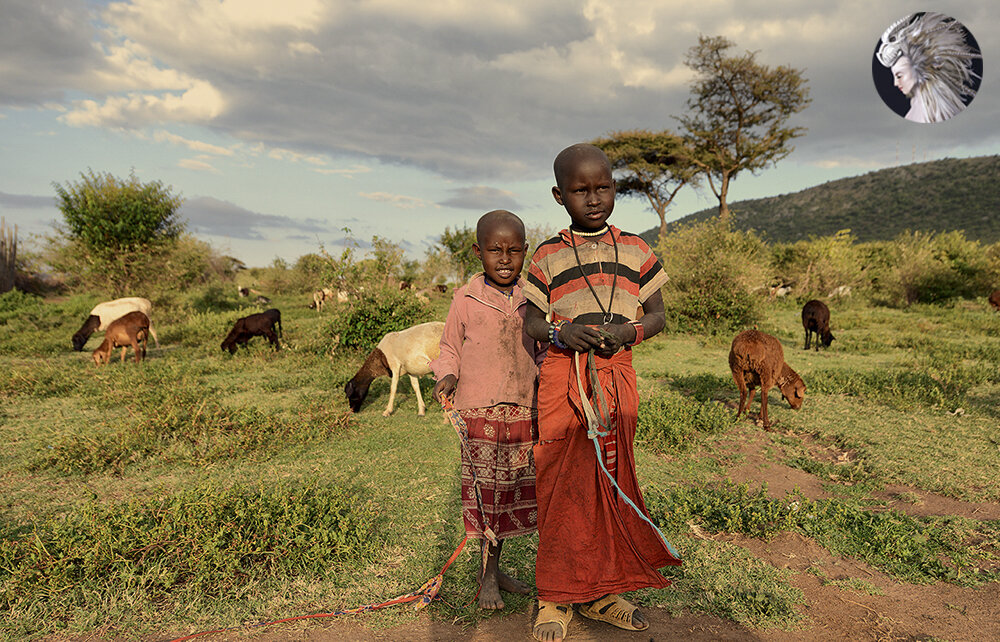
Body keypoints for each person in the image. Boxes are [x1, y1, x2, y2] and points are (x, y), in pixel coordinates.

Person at [522, 144, 681, 641]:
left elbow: (657, 315)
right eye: (580, 190)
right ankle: (555, 596)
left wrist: (629, 332)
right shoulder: (547, 254)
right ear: (559, 196)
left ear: (615, 188)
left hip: (615, 378)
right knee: (562, 483)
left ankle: (603, 593)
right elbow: (530, 321)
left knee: (611, 483)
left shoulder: (636, 249)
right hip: (564, 379)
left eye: (603, 187)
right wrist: (560, 332)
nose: (593, 198)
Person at [430, 209, 545, 610]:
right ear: (478, 252)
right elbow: (449, 347)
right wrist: (447, 375)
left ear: (525, 251)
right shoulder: (465, 298)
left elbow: (543, 351)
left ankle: (495, 570)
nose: (505, 259)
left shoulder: (534, 298)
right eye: (495, 250)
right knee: (486, 494)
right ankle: (487, 576)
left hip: (524, 408)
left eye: (514, 250)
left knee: (510, 493)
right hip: (479, 410)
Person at [877, 12, 982, 123]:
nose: (895, 83)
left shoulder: (937, 114)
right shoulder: (917, 108)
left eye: (899, 76)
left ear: (919, 67)